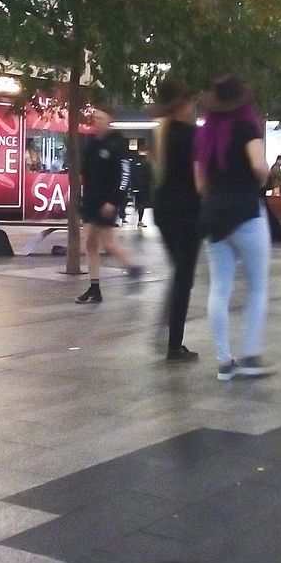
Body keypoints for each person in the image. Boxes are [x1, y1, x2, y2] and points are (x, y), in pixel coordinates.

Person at [194, 75, 273, 381]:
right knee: (257, 286)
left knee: (220, 288)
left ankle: (224, 362)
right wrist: (261, 180)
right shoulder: (247, 127)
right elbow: (258, 166)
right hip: (246, 213)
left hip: (214, 214)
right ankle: (251, 356)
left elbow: (200, 183)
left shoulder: (205, 135)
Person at [152, 77, 201, 361]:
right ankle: (174, 344)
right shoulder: (191, 135)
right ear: (182, 104)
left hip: (163, 209)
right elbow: (198, 180)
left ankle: (166, 331)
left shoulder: (160, 133)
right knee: (184, 277)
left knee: (179, 274)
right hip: (186, 212)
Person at [76, 106, 142, 302]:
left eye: (100, 117)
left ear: (109, 120)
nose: (96, 120)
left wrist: (114, 201)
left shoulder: (117, 144)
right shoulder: (91, 144)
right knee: (89, 242)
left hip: (107, 202)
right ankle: (94, 288)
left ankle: (132, 268)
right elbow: (85, 173)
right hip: (91, 201)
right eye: (94, 117)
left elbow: (125, 175)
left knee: (107, 242)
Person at [130, 149, 153, 228]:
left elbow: (131, 175)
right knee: (142, 203)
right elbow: (150, 175)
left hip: (135, 186)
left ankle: (135, 213)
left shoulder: (132, 163)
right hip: (144, 187)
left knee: (136, 201)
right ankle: (139, 220)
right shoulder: (147, 164)